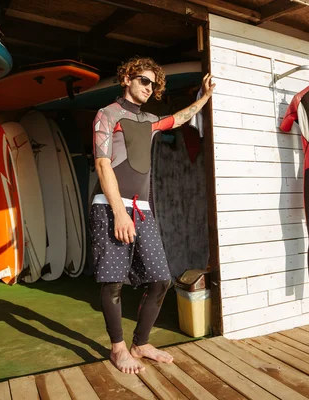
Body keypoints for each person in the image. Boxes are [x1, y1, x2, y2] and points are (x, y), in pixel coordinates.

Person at [91, 57, 215, 374]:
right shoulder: (107, 115)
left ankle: (141, 343)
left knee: (161, 279)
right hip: (110, 205)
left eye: (154, 84)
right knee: (113, 281)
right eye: (144, 81)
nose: (150, 87)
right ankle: (117, 348)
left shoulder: (150, 120)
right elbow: (103, 164)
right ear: (127, 79)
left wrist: (203, 97)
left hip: (142, 209)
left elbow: (180, 118)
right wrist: (119, 212)